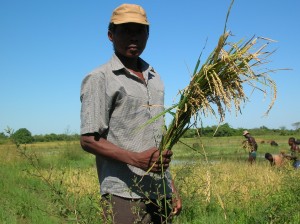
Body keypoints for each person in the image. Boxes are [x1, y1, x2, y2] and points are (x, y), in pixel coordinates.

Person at [80, 3, 182, 223]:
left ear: (148, 34)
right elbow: (89, 140)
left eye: (139, 30)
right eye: (125, 30)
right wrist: (137, 160)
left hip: (159, 192)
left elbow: (158, 142)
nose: (133, 36)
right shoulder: (100, 78)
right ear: (110, 35)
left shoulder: (155, 79)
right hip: (123, 193)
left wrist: (170, 186)